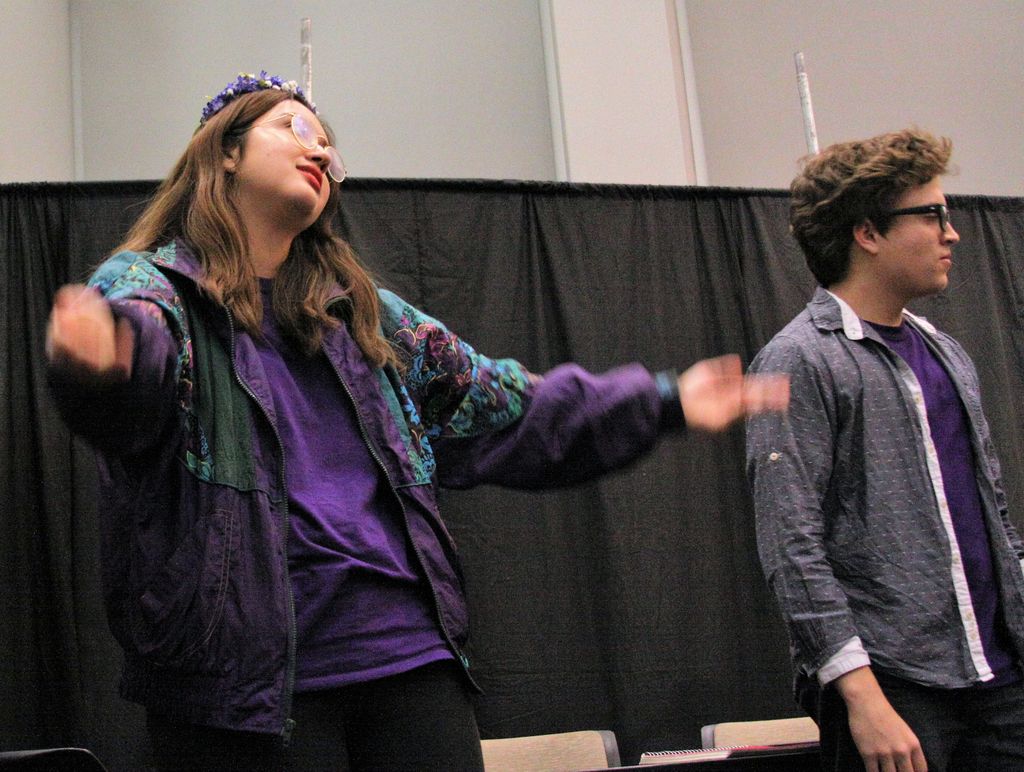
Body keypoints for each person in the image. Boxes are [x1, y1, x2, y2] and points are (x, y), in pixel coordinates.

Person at [46, 71, 788, 772]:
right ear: (227, 150)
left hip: (410, 664)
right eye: (294, 128)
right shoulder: (154, 290)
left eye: (328, 145)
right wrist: (107, 361)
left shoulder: (364, 317)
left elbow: (504, 405)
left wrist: (661, 400)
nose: (320, 151)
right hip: (244, 691)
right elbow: (136, 381)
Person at [746, 128, 1024, 772]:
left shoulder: (946, 353)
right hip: (892, 686)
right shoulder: (798, 360)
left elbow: (993, 517)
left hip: (998, 677)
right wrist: (862, 697)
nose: (952, 234)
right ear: (868, 233)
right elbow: (791, 545)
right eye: (932, 215)